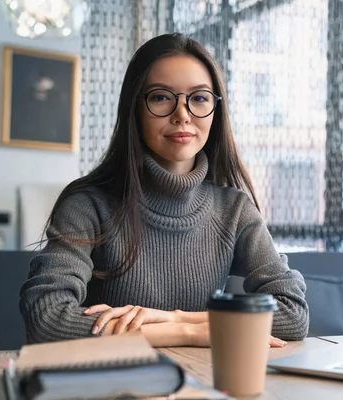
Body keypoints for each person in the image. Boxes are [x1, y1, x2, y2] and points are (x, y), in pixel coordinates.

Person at [19, 33, 309, 348]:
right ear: (135, 108)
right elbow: (46, 319)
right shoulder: (88, 205)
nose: (182, 114)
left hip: (202, 384)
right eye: (160, 97)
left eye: (199, 98)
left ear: (216, 110)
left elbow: (292, 315)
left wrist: (176, 318)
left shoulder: (235, 210)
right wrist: (189, 333)